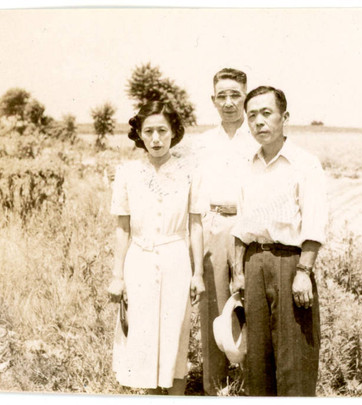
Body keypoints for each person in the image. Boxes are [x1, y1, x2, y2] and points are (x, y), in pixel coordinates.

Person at [231, 86, 328, 396]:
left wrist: (304, 272)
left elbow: (315, 223)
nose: (259, 122)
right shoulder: (248, 164)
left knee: (294, 357)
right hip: (254, 262)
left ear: (284, 117)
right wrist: (238, 271)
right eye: (252, 116)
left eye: (266, 113)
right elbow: (241, 224)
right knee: (258, 360)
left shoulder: (305, 163)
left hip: (290, 264)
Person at [107, 100, 206, 395]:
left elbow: (196, 225)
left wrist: (198, 273)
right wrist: (117, 276)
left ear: (174, 132)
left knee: (176, 333)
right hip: (139, 261)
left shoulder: (190, 173)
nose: (156, 138)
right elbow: (122, 228)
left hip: (176, 260)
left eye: (162, 130)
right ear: (139, 133)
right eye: (148, 131)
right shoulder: (127, 173)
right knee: (143, 336)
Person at [196, 67, 258, 395]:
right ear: (213, 100)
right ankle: (214, 388)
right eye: (222, 96)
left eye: (235, 95)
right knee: (214, 311)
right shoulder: (203, 143)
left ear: (246, 98)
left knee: (251, 307)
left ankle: (252, 389)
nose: (229, 102)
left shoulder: (259, 138)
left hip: (250, 229)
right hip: (214, 227)